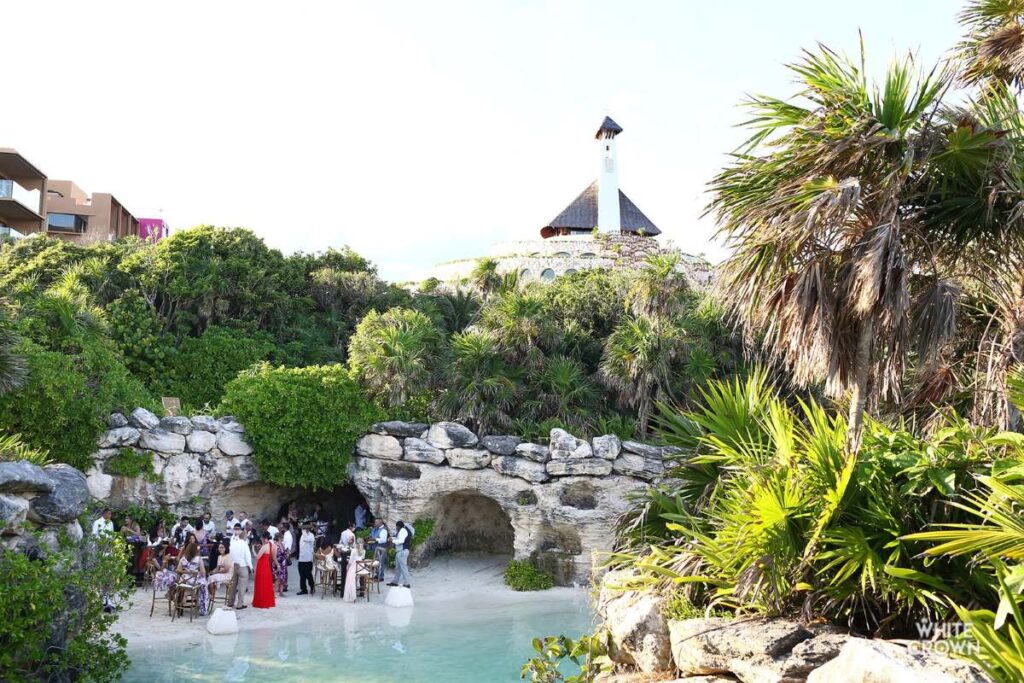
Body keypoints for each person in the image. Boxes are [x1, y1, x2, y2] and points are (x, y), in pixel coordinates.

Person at [175, 539, 210, 616]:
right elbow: (203, 572)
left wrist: (186, 572)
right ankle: (202, 607)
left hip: (184, 581)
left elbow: (178, 569)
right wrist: (196, 573)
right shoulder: (198, 559)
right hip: (194, 581)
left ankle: (181, 603)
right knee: (203, 585)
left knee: (188, 586)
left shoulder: (183, 559)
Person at [227, 523, 253, 610]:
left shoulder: (233, 543)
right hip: (243, 566)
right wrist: (251, 567)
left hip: (235, 565)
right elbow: (248, 557)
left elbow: (230, 554)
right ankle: (239, 604)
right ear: (244, 536)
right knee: (242, 586)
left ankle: (230, 602)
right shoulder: (244, 544)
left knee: (233, 585)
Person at [252, 531, 278, 609]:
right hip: (267, 566)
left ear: (264, 538)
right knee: (267, 584)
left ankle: (261, 602)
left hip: (262, 567)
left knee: (261, 584)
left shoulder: (264, 546)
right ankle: (267, 601)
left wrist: (253, 549)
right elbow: (274, 556)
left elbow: (257, 557)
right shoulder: (271, 545)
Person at [389, 521, 412, 588]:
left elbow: (401, 541)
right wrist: (393, 539)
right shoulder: (403, 530)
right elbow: (399, 538)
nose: (396, 528)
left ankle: (407, 583)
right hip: (400, 552)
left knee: (403, 568)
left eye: (396, 527)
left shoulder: (403, 531)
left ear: (398, 526)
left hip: (402, 551)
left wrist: (392, 541)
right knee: (398, 568)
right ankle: (395, 582)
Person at [343, 538, 365, 603]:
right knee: (352, 573)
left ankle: (351, 593)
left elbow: (350, 561)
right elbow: (362, 558)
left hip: (355, 566)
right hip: (361, 567)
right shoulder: (364, 550)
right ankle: (362, 592)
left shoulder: (353, 550)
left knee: (348, 573)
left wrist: (347, 567)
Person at [297, 523, 316, 595]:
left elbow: (306, 539)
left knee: (308, 574)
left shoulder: (311, 536)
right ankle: (303, 589)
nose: (305, 530)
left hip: (308, 559)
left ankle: (312, 586)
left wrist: (304, 532)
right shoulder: (302, 535)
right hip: (301, 558)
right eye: (304, 528)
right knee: (302, 575)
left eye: (306, 528)